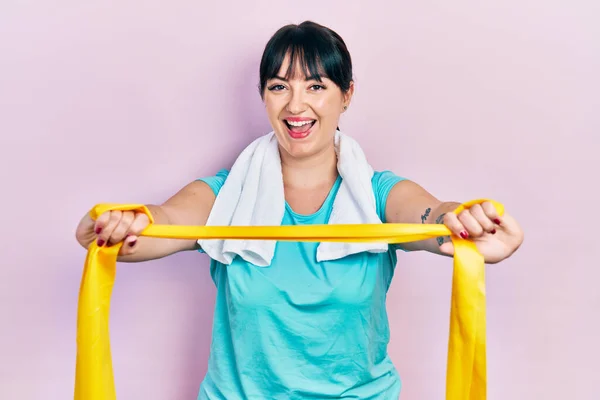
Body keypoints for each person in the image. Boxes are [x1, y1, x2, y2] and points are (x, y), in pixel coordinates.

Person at [75, 20, 524, 400]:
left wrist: (464, 221)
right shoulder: (228, 196)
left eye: (315, 85)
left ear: (346, 95)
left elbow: (431, 217)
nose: (295, 105)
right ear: (264, 97)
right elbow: (162, 222)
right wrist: (118, 225)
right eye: (278, 87)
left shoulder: (377, 194)